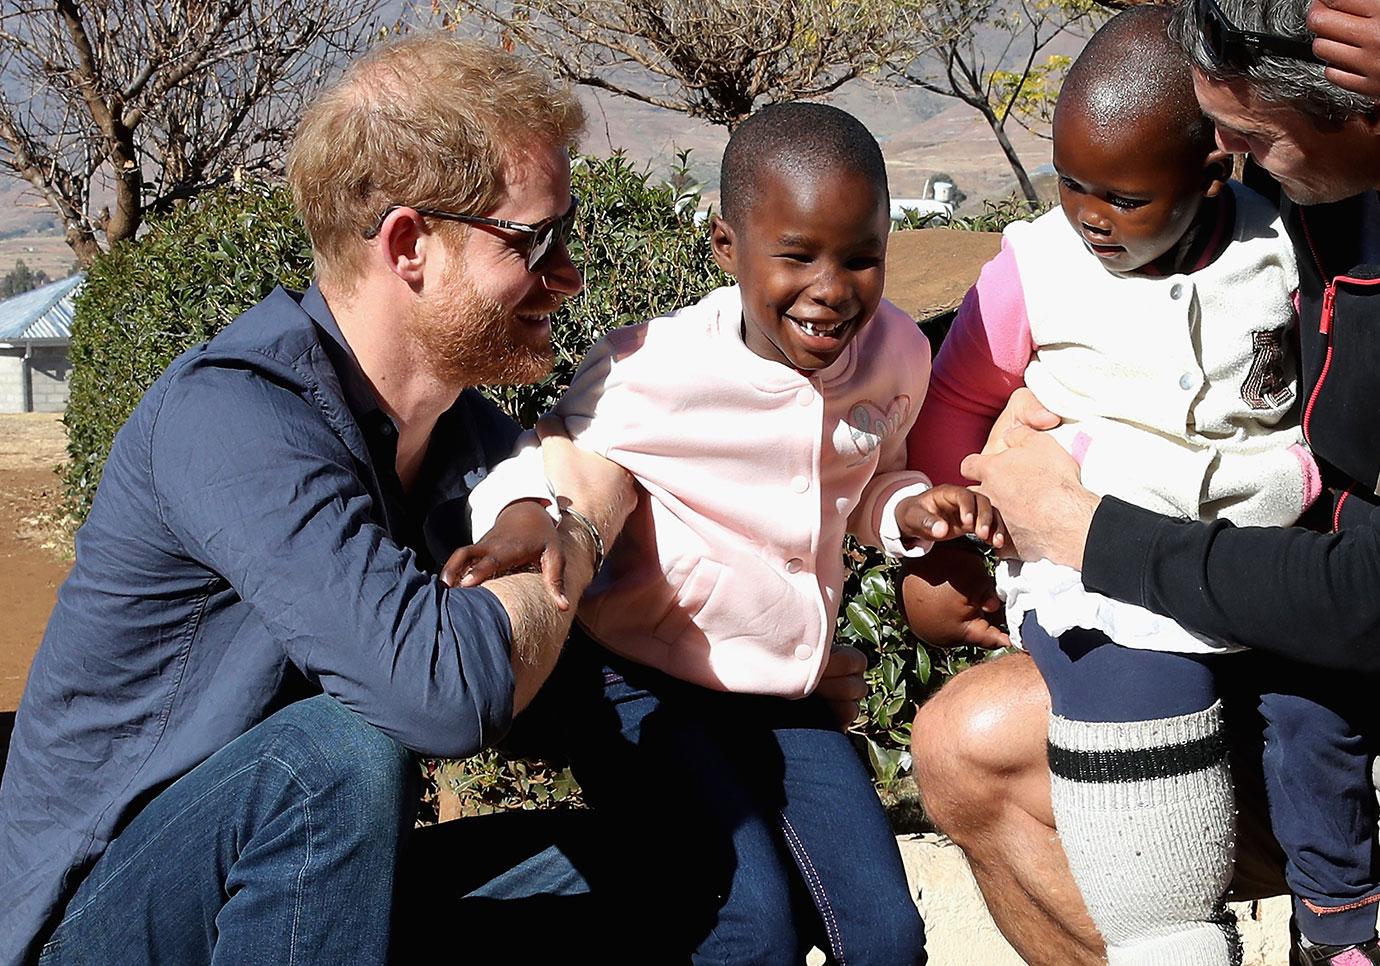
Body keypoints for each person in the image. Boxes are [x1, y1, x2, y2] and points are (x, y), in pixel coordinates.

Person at [0, 35, 648, 966]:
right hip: (97, 923)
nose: (569, 275)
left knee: (655, 864)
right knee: (330, 758)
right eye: (534, 241)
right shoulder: (229, 418)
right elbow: (443, 694)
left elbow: (590, 637)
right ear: (409, 244)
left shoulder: (469, 440)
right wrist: (576, 526)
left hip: (298, 885)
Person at [457, 102, 1006, 964]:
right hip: (649, 690)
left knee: (885, 936)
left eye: (862, 258)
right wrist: (524, 516)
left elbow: (868, 479)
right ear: (725, 246)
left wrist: (908, 511)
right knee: (749, 928)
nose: (833, 290)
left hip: (787, 696)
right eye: (797, 256)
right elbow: (550, 458)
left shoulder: (896, 350)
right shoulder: (655, 369)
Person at [908, 1, 1380, 964]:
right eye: (1072, 186)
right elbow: (958, 402)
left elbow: (1357, 599)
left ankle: (1340, 925)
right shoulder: (1038, 268)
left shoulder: (1285, 237)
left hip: (1280, 572)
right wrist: (946, 532)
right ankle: (1169, 937)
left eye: (1122, 197)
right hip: (1123, 588)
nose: (1090, 217)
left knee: (1314, 717)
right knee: (1120, 699)